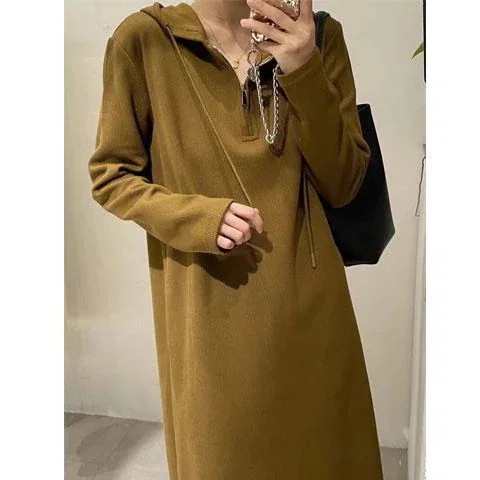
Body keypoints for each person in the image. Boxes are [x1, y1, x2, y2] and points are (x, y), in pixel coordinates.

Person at [88, 0, 384, 478]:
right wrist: (197, 217)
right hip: (208, 325)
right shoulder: (146, 41)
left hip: (315, 319)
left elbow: (345, 182)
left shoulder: (318, 37)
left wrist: (304, 68)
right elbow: (112, 176)